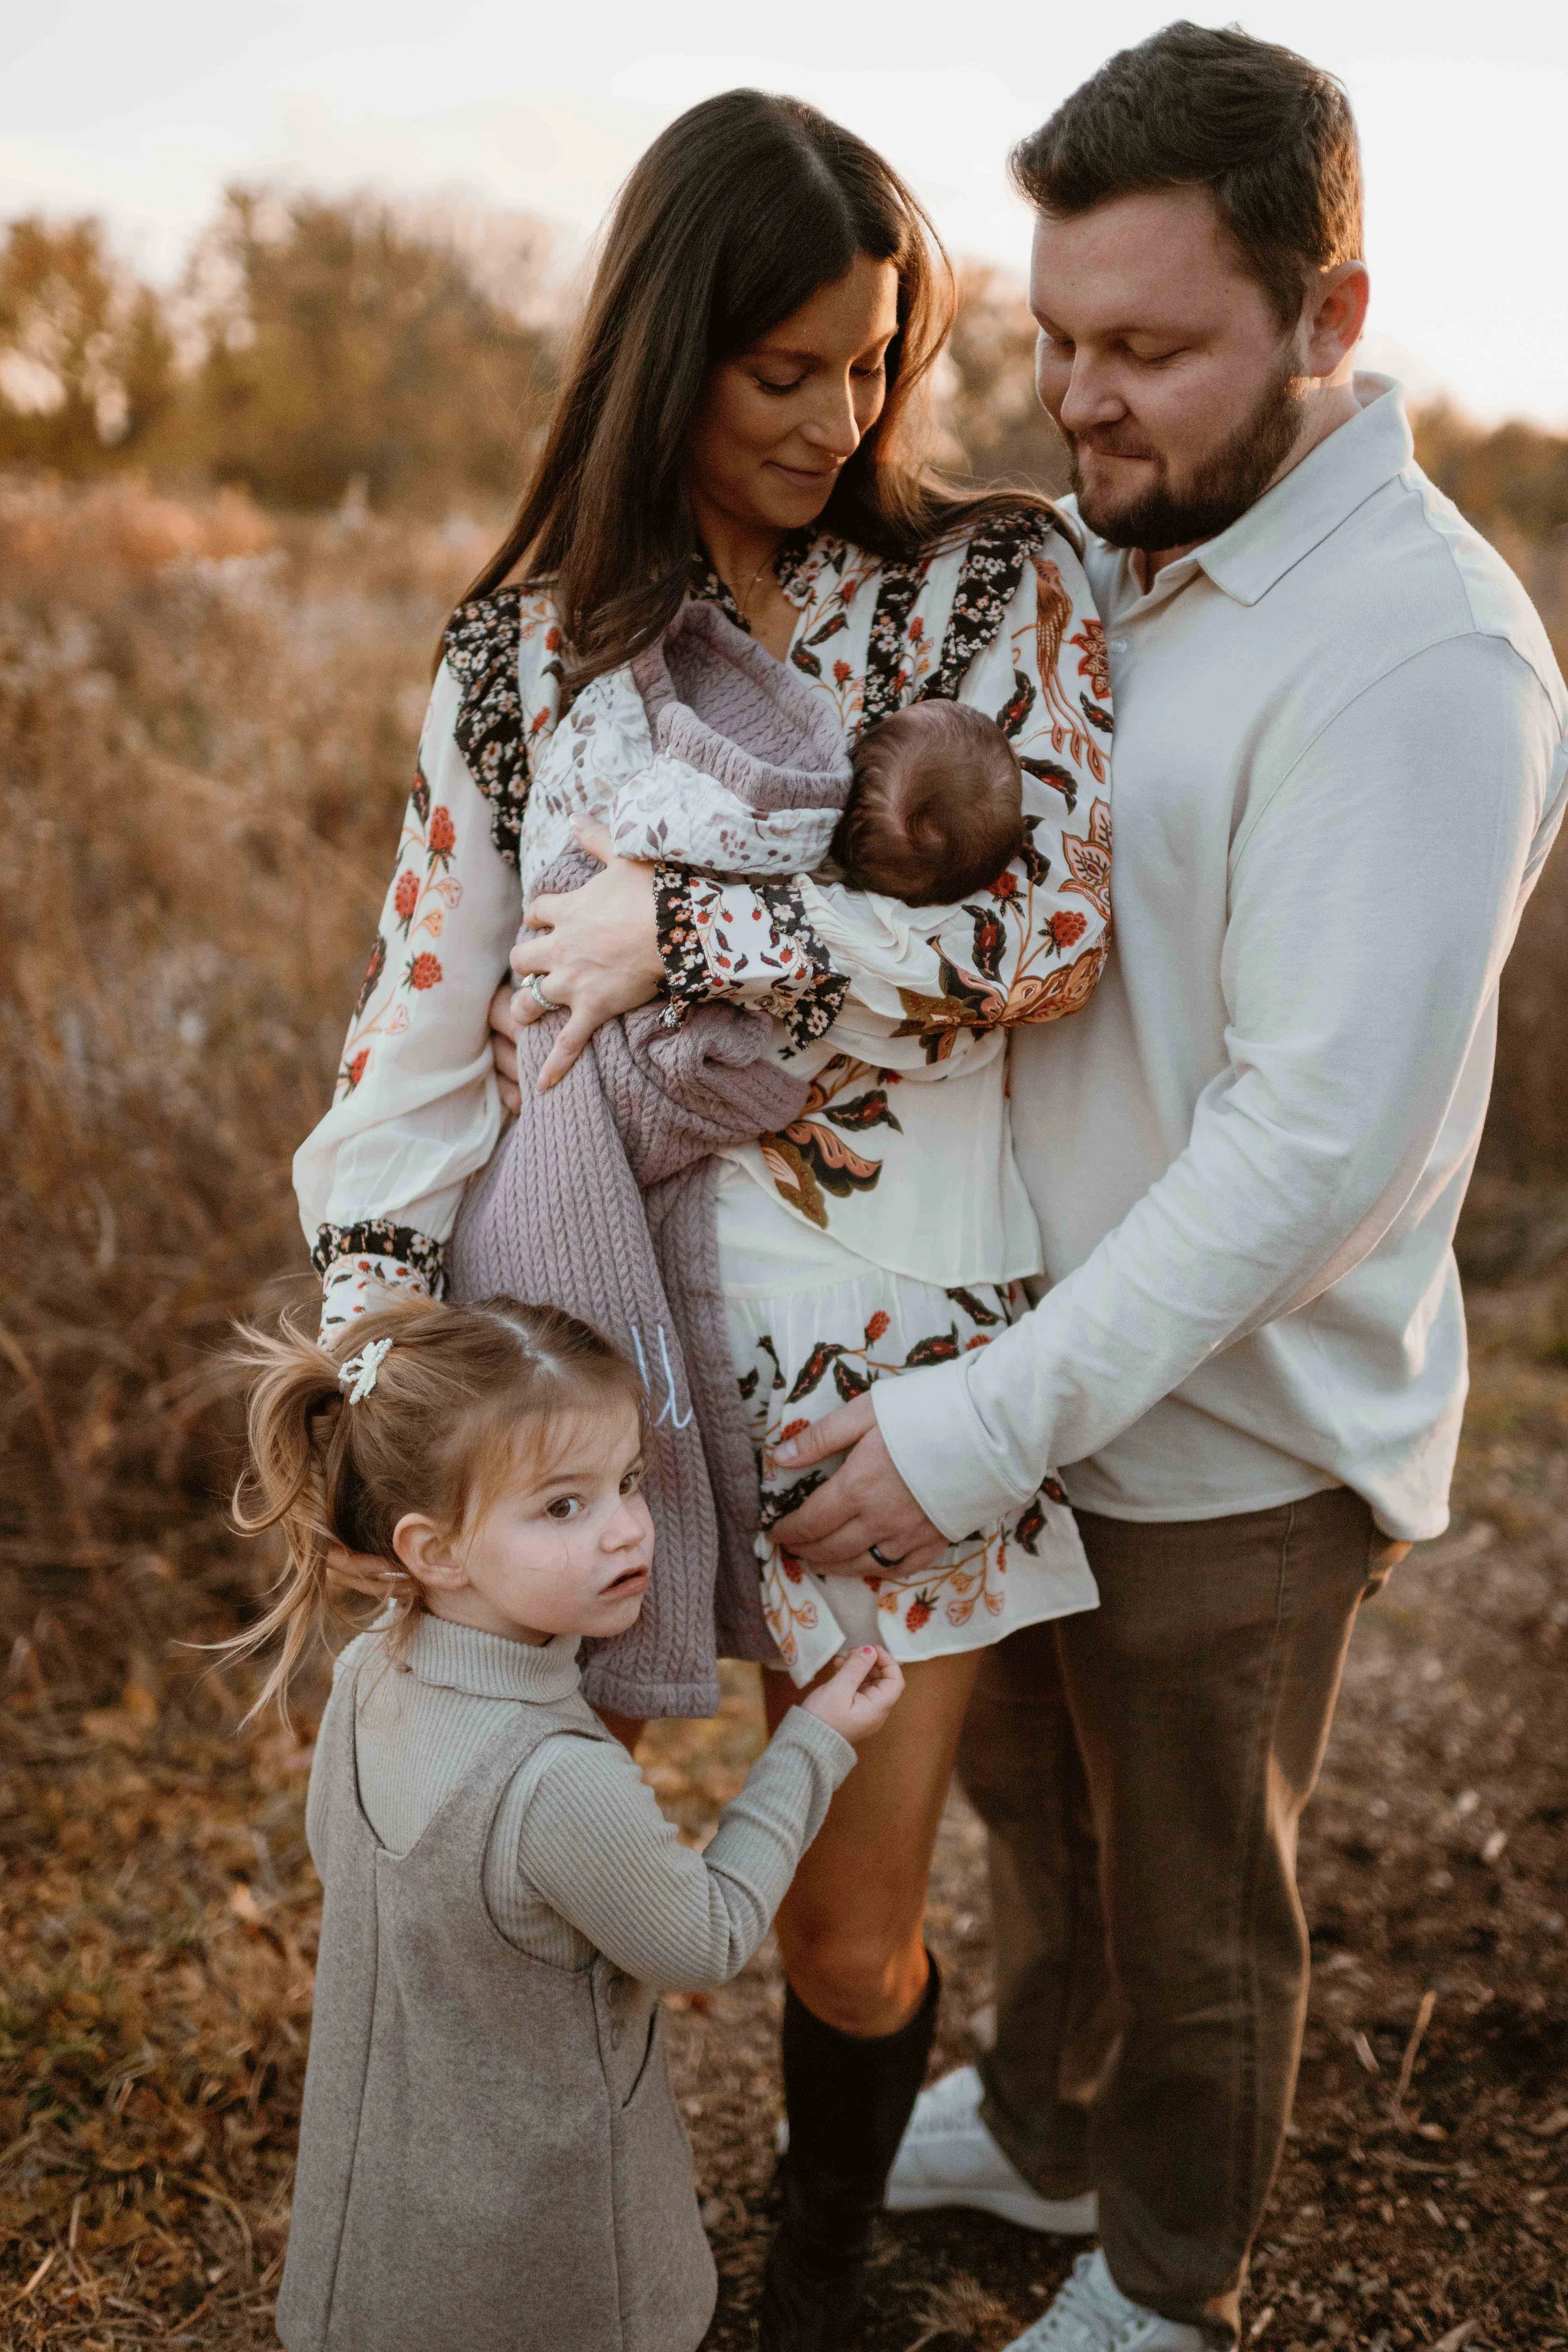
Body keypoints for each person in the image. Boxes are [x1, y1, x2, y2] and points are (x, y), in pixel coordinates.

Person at [741, 24, 1568, 2352]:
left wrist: (961, 1429)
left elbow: (1318, 1145)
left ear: (1330, 317)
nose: (1079, 400)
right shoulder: (1121, 554)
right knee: (1041, 1821)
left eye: (1151, 349)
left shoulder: (1414, 655)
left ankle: (1167, 2281)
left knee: (1200, 1899)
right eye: (1056, 339)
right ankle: (1035, 2121)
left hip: (1233, 1420)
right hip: (1013, 1364)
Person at [294, 90, 1113, 2349]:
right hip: (577, 1392)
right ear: (666, 352)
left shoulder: (992, 583)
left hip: (897, 1378)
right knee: (554, 1891)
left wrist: (702, 933)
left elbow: (1042, 941)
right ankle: (556, 2264)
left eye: (881, 359)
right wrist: (378, 1358)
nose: (843, 416)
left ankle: (817, 2281)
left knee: (843, 1936)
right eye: (787, 371)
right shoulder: (513, 655)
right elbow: (421, 1021)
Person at [226, 1291, 903, 2352]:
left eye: (627, 1482)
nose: (629, 1525)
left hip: (389, 2221)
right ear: (435, 1549)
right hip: (544, 2259)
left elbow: (339, 1856)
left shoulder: (364, 1677)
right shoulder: (553, 1779)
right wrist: (814, 1740)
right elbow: (709, 1935)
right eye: (562, 1506)